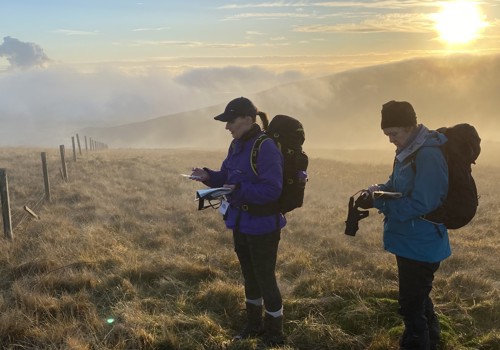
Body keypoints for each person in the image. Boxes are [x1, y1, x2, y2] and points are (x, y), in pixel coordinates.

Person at [190, 97, 286, 346]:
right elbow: (227, 177)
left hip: (263, 225)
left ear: (247, 119)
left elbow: (272, 189)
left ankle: (275, 334)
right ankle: (253, 326)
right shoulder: (236, 146)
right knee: (249, 276)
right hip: (240, 222)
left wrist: (238, 191)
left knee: (265, 278)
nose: (227, 127)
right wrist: (208, 176)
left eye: (230, 121)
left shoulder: (265, 147)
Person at [357, 100, 450, 350]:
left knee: (410, 304)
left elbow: (423, 202)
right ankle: (434, 340)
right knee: (418, 298)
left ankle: (417, 343)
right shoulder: (408, 150)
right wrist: (377, 193)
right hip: (410, 240)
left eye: (393, 133)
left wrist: (382, 205)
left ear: (410, 126)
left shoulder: (428, 154)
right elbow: (396, 186)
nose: (390, 140)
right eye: (387, 134)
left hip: (422, 242)